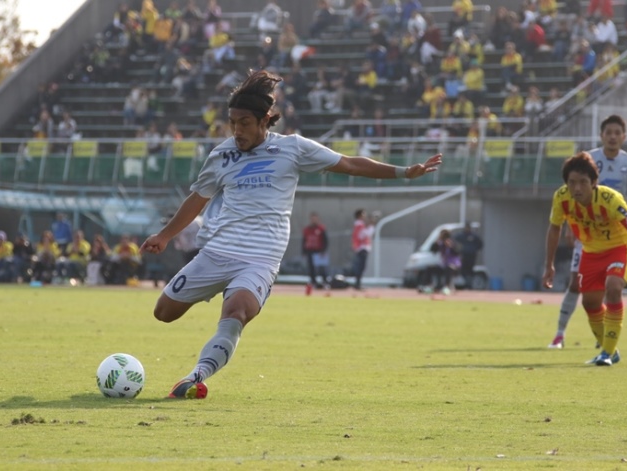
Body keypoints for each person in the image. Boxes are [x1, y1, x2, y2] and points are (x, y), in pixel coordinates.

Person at [140, 69, 442, 400]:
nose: (237, 130)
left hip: (260, 260)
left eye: (244, 123)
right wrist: (165, 236)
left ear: (264, 120)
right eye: (233, 122)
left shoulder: (293, 148)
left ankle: (195, 377)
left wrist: (403, 172)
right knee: (163, 313)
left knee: (236, 312)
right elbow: (197, 199)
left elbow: (350, 164)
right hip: (217, 252)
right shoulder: (221, 155)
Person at [548, 115, 627, 348]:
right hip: (586, 234)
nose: (612, 137)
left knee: (611, 286)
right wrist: (571, 229)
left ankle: (607, 341)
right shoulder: (588, 160)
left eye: (617, 133)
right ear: (601, 135)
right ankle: (560, 333)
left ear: (624, 137)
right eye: (608, 132)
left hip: (616, 233)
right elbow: (571, 202)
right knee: (576, 285)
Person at [302, 212, 329, 288]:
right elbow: (304, 240)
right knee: (311, 268)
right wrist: (304, 251)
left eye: (315, 219)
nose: (313, 220)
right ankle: (313, 282)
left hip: (319, 251)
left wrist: (324, 250)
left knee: (321, 268)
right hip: (310, 250)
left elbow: (325, 240)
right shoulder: (307, 229)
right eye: (312, 219)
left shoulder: (321, 228)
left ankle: (325, 282)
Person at [430, 229, 461, 295]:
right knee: (432, 268)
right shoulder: (440, 243)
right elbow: (433, 250)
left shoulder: (452, 242)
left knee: (448, 268)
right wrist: (436, 243)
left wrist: (451, 246)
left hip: (454, 265)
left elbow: (458, 252)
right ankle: (433, 286)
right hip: (444, 264)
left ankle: (447, 287)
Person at [351, 209, 374, 291]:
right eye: (363, 214)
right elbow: (364, 235)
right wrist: (371, 225)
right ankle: (357, 284)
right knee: (361, 266)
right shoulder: (360, 225)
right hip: (362, 247)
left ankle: (358, 283)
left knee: (360, 266)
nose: (365, 216)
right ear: (359, 216)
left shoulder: (359, 225)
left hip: (360, 247)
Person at [454, 223, 483, 289]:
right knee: (463, 270)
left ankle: (469, 284)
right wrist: (458, 249)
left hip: (472, 255)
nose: (467, 229)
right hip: (464, 255)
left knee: (470, 270)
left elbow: (480, 244)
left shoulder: (473, 236)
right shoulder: (461, 235)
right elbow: (454, 240)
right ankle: (464, 284)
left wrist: (474, 249)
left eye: (468, 227)